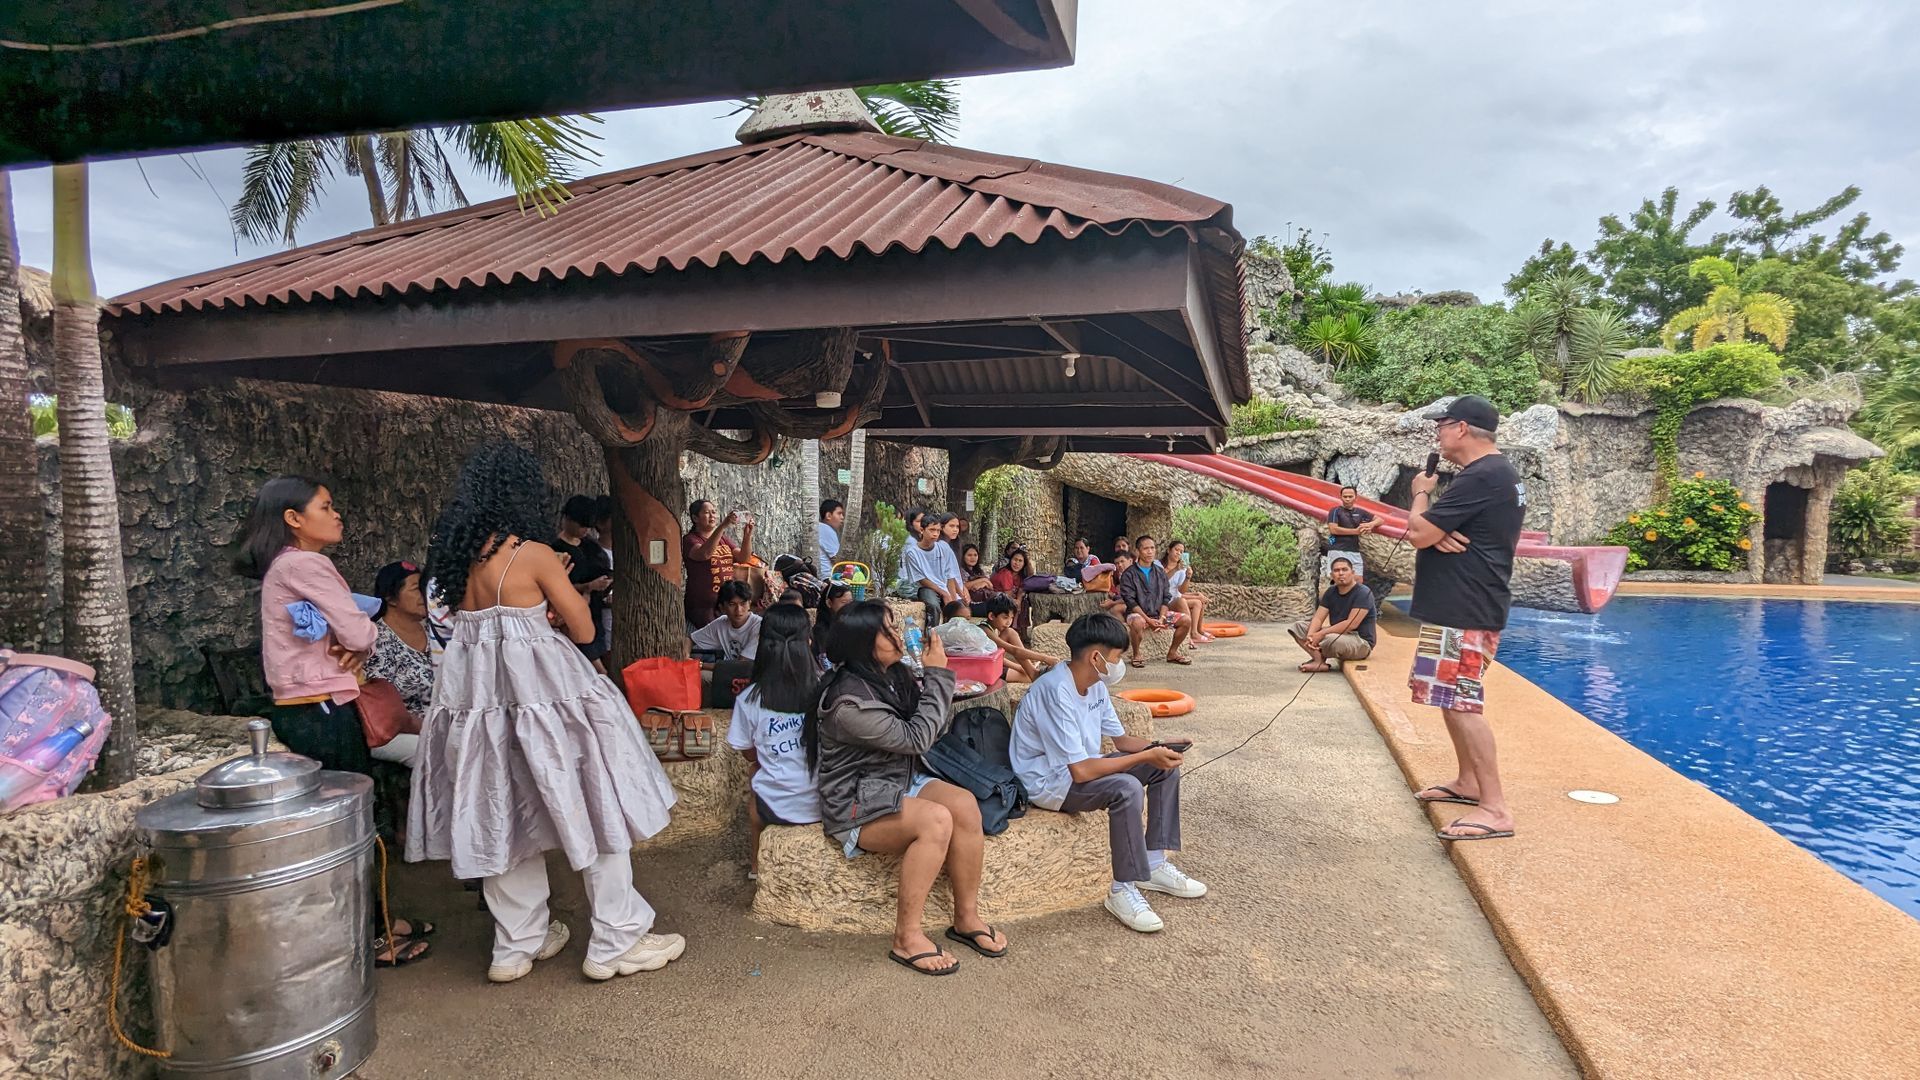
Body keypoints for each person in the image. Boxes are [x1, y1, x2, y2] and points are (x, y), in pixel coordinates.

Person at [410, 442, 683, 984]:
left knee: (498, 815)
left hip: (480, 711)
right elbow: (582, 629)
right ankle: (615, 938)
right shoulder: (531, 553)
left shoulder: (456, 560)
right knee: (594, 803)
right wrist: (556, 582)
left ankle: (516, 945)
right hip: (551, 704)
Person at [237, 476, 432, 967]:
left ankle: (374, 923)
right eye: (326, 506)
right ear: (294, 519)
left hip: (307, 707)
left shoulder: (284, 566)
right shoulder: (306, 563)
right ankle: (372, 937)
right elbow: (360, 633)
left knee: (340, 825)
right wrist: (356, 637)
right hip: (323, 707)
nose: (336, 513)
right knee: (350, 827)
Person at [805, 601, 1007, 974]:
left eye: (894, 626)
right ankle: (906, 937)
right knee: (936, 821)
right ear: (861, 644)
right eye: (886, 630)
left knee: (964, 805)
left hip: (898, 780)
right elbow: (917, 739)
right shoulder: (848, 704)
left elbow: (927, 730)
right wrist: (938, 678)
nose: (898, 635)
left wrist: (937, 679)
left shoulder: (891, 674)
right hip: (855, 802)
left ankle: (965, 917)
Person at [1010, 612, 1206, 933]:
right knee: (1126, 787)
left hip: (1079, 770)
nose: (1118, 665)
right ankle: (1121, 889)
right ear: (1096, 656)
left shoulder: (1095, 684)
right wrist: (1144, 757)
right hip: (1049, 783)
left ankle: (1154, 863)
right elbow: (1082, 770)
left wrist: (1159, 745)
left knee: (1163, 769)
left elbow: (1123, 741)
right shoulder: (1054, 691)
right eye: (1116, 658)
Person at [1403, 395, 1528, 842]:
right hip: (1458, 604)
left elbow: (1418, 532)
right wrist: (1437, 533)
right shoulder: (1493, 475)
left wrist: (1421, 495)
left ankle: (1495, 808)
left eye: (1442, 424)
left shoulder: (1484, 475)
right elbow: (1437, 534)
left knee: (1463, 701)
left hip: (1466, 608)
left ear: (1461, 428)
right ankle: (1469, 782)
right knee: (1448, 697)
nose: (1437, 432)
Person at [727, 604, 823, 879]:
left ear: (762, 644)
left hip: (775, 809)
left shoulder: (749, 699)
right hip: (827, 805)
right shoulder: (825, 691)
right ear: (808, 642)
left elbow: (747, 753)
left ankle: (757, 867)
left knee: (755, 777)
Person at [364, 560, 436, 766]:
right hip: (395, 730)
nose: (424, 595)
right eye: (416, 589)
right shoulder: (376, 638)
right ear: (391, 597)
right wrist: (429, 727)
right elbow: (384, 704)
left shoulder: (435, 631)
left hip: (438, 722)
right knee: (441, 752)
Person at [552, 495, 614, 672]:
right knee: (596, 669)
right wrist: (587, 587)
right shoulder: (556, 549)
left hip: (596, 612)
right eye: (581, 525)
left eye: (588, 526)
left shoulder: (591, 546)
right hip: (572, 615)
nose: (585, 530)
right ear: (568, 519)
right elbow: (557, 586)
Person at [1288, 557, 1376, 671]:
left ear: (1353, 573)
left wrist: (1321, 634)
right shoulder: (1331, 592)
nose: (1341, 573)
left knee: (1328, 639)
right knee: (1298, 627)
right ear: (1332, 575)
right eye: (1336, 570)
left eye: (1345, 570)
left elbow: (1351, 624)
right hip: (1337, 635)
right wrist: (1311, 636)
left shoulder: (1364, 593)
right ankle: (1318, 661)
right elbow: (1318, 618)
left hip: (1360, 641)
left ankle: (1319, 658)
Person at [1115, 536, 1192, 667]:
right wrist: (1148, 620)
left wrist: (1161, 618)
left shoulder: (1160, 573)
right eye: (1146, 548)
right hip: (1139, 614)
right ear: (1138, 551)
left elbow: (1166, 597)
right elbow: (1130, 601)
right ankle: (1137, 654)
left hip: (1158, 614)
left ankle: (1172, 653)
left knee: (1186, 620)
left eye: (1152, 548)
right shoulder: (1129, 574)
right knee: (1137, 622)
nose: (1150, 551)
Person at [684, 498, 754, 629]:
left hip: (725, 602)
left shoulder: (722, 539)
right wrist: (723, 526)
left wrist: (747, 536)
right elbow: (705, 554)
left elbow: (743, 557)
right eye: (707, 512)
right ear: (695, 518)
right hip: (703, 606)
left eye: (714, 512)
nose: (712, 516)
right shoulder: (690, 540)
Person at [902, 512, 966, 627]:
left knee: (958, 609)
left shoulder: (943, 547)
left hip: (945, 586)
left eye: (938, 530)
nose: (935, 534)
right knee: (933, 606)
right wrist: (943, 593)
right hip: (927, 587)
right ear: (922, 530)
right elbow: (922, 580)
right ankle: (931, 635)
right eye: (932, 530)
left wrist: (952, 599)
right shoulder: (912, 552)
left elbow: (949, 576)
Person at [979, 594, 1057, 683]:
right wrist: (1045, 658)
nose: (1009, 622)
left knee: (1009, 632)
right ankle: (1032, 673)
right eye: (1005, 618)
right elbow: (1014, 650)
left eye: (1011, 618)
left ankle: (1031, 671)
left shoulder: (993, 628)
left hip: (993, 662)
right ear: (992, 616)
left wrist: (1020, 667)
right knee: (1027, 678)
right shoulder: (985, 630)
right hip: (984, 669)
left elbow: (997, 655)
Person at [691, 580, 762, 665]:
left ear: (749, 604)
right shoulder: (721, 623)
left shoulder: (759, 626)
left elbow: (742, 665)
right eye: (732, 604)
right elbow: (691, 639)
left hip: (752, 675)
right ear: (722, 608)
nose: (738, 610)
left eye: (743, 603)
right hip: (729, 673)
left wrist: (700, 665)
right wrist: (685, 655)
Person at [1161, 539, 1214, 646]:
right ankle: (1190, 634)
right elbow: (1161, 582)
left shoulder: (1182, 570)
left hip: (1174, 597)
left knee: (1198, 602)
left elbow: (1181, 590)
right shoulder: (1158, 565)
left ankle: (1198, 631)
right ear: (1168, 550)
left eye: (1181, 552)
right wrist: (1176, 569)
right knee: (1181, 601)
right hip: (1164, 600)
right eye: (1176, 550)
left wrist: (1188, 577)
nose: (1179, 553)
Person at [1324, 484, 1375, 581]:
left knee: (1358, 580)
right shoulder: (1335, 511)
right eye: (1345, 496)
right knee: (1339, 580)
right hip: (1337, 549)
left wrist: (1371, 524)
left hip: (1354, 550)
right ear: (1341, 497)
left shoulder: (1360, 512)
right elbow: (1333, 529)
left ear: (1355, 497)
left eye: (1350, 496)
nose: (1347, 499)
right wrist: (1355, 531)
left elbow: (1379, 519)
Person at [988, 547, 1033, 636]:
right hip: (996, 598)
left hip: (1007, 598)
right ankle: (1012, 630)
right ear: (1010, 560)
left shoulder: (1019, 576)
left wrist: (1019, 600)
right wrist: (1017, 602)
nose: (1017, 563)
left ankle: (1020, 631)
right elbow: (1008, 594)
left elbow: (1021, 589)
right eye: (1015, 560)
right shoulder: (1006, 573)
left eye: (1020, 561)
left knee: (1023, 602)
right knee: (1015, 605)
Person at [813, 581, 853, 669]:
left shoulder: (848, 625)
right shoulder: (822, 630)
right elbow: (824, 662)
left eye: (850, 602)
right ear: (829, 603)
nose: (849, 607)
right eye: (844, 602)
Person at [958, 543, 996, 613]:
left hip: (984, 600)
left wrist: (983, 583)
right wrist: (983, 580)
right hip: (970, 604)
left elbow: (990, 586)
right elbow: (962, 585)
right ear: (963, 556)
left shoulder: (978, 571)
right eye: (969, 555)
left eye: (975, 555)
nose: (973, 558)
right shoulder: (960, 570)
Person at [1099, 553, 1134, 618]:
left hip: (1141, 606)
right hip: (1130, 604)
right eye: (1117, 563)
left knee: (1114, 610)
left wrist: (1113, 603)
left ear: (1130, 561)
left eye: (1122, 561)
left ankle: (1123, 627)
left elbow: (1132, 598)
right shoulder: (1122, 576)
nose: (1120, 565)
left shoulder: (1134, 575)